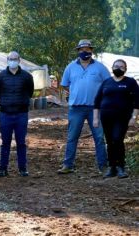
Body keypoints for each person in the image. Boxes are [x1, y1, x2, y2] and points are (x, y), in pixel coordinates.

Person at [58, 39, 110, 174]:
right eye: (82, 49)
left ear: (91, 51)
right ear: (78, 51)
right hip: (76, 108)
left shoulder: (100, 67)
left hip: (96, 109)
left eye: (87, 49)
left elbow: (109, 83)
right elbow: (64, 84)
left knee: (99, 137)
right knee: (72, 137)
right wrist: (75, 91)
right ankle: (68, 165)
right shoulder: (70, 67)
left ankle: (103, 166)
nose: (85, 52)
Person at [94, 59, 139, 178]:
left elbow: (137, 102)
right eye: (116, 66)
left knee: (117, 139)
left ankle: (121, 167)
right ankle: (111, 167)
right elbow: (97, 101)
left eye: (121, 66)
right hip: (106, 116)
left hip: (122, 117)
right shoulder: (106, 82)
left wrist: (134, 117)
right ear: (112, 68)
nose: (118, 68)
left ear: (125, 69)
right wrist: (95, 119)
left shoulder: (130, 82)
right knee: (109, 141)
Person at [0, 51, 34, 177]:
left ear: (19, 60)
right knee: (5, 142)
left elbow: (30, 92)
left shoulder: (27, 76)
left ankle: (22, 168)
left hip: (21, 114)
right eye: (10, 59)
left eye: (15, 58)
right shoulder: (0, 76)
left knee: (21, 142)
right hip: (5, 114)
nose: (13, 61)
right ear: (7, 60)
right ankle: (2, 168)